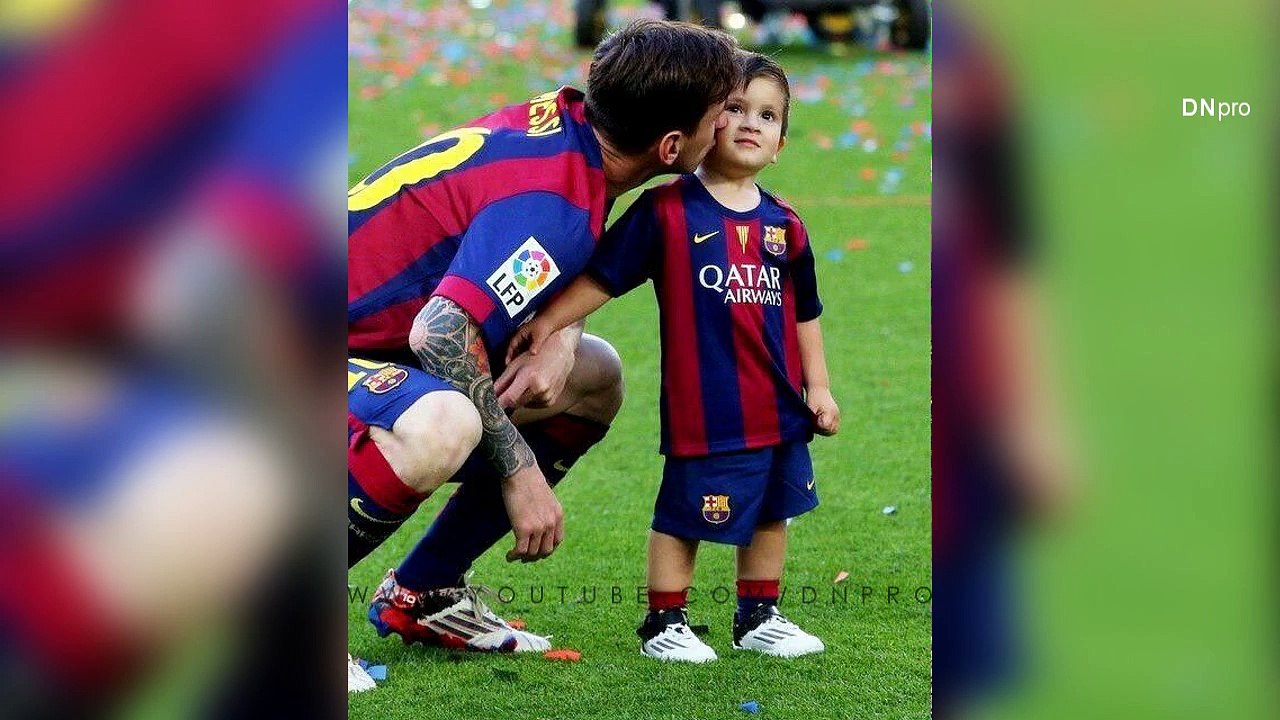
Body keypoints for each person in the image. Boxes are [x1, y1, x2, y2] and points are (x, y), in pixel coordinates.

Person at [346, 19, 742, 660]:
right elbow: (440, 332)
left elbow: (539, 252)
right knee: (442, 422)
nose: (728, 124)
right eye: (721, 112)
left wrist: (560, 329)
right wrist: (520, 469)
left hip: (357, 344)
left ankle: (426, 592)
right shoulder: (556, 204)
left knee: (593, 376)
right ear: (671, 146)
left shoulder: (571, 129)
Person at [506, 52, 838, 663]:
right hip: (706, 407)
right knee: (685, 514)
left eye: (767, 115)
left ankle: (758, 615)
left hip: (779, 405)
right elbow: (602, 278)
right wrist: (547, 323)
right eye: (735, 107)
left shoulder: (785, 225)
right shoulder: (667, 211)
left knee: (775, 509)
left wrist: (818, 387)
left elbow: (805, 312)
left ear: (780, 144)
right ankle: (664, 621)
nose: (750, 122)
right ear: (705, 122)